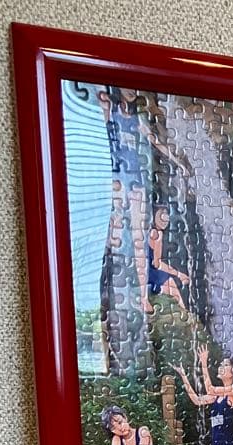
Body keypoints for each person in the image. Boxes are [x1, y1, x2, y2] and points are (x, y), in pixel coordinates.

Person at [98, 87, 150, 313]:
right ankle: (108, 291)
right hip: (117, 177)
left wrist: (178, 161)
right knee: (114, 233)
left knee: (139, 239)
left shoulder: (138, 120)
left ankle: (144, 296)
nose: (132, 91)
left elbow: (154, 141)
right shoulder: (109, 110)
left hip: (136, 181)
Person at [175, 346, 233, 445]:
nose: (221, 367)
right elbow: (196, 400)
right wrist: (183, 376)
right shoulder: (216, 397)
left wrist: (204, 363)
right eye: (221, 364)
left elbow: (210, 389)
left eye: (226, 365)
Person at [146, 205, 190, 310]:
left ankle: (185, 313)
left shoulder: (150, 232)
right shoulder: (157, 234)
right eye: (161, 216)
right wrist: (179, 274)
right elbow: (157, 264)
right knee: (172, 286)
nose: (165, 220)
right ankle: (186, 314)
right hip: (151, 273)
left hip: (147, 271)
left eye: (166, 216)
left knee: (172, 288)